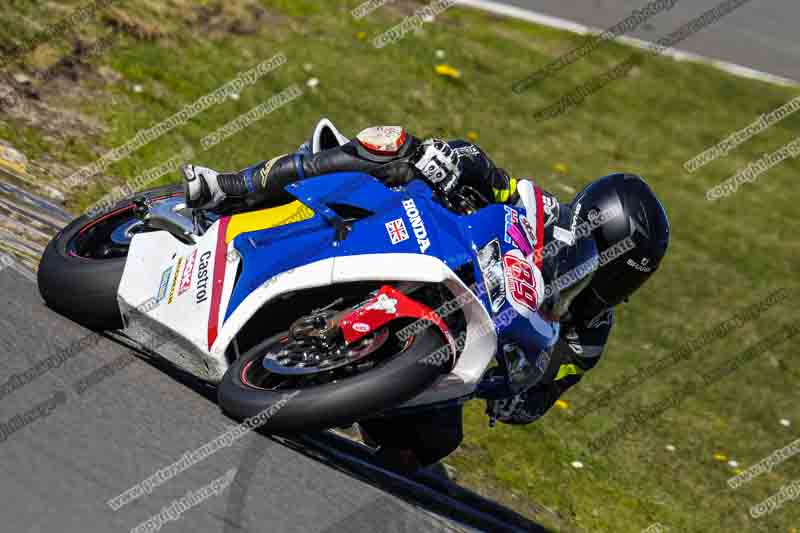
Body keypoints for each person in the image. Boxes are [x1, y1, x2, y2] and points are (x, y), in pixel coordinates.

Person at [182, 119, 670, 467]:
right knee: (390, 143)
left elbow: (532, 403)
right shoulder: (538, 209)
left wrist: (515, 389)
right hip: (425, 244)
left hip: (454, 351)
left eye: (626, 275)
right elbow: (484, 170)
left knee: (431, 445)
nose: (609, 279)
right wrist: (449, 162)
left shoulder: (589, 338)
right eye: (610, 257)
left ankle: (331, 382)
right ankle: (232, 185)